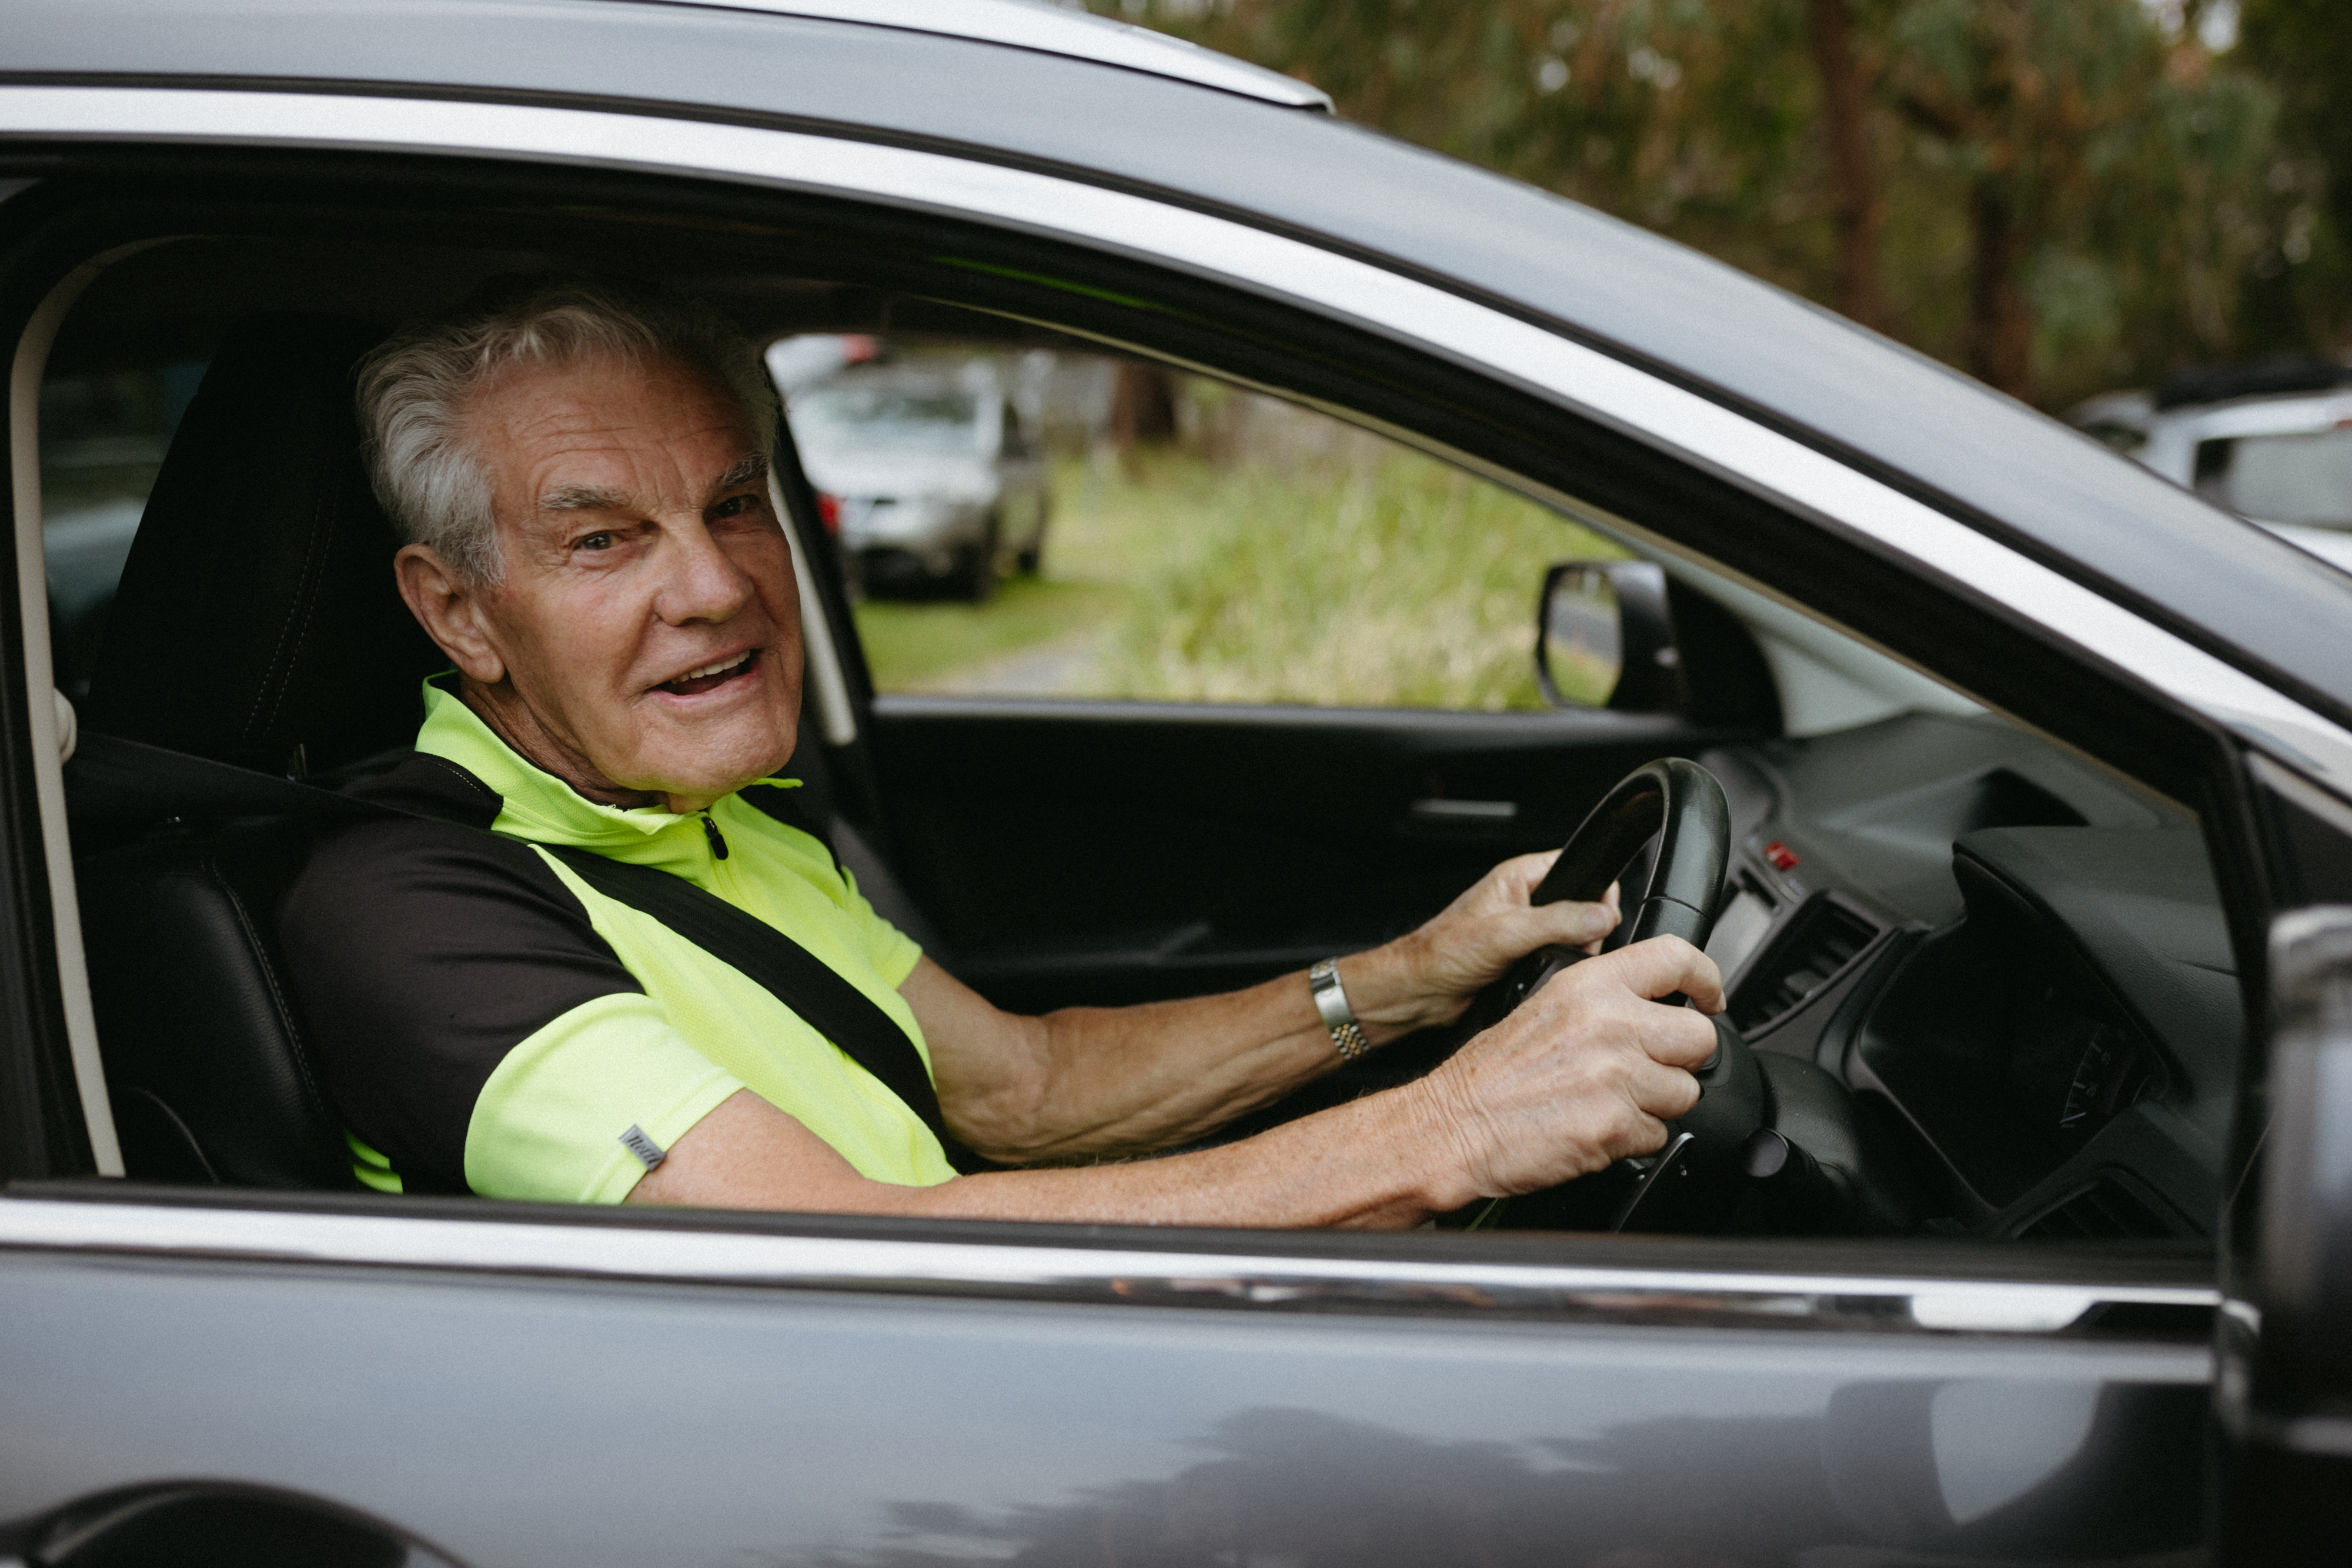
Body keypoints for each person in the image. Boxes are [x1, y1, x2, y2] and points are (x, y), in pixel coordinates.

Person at [282, 276, 1723, 1226]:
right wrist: (1457, 1123)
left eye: (732, 506)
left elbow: (1021, 1088)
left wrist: (1417, 977)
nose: (714, 586)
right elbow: (847, 1254)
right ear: (460, 612)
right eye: (603, 539)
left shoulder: (716, 820)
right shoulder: (407, 911)